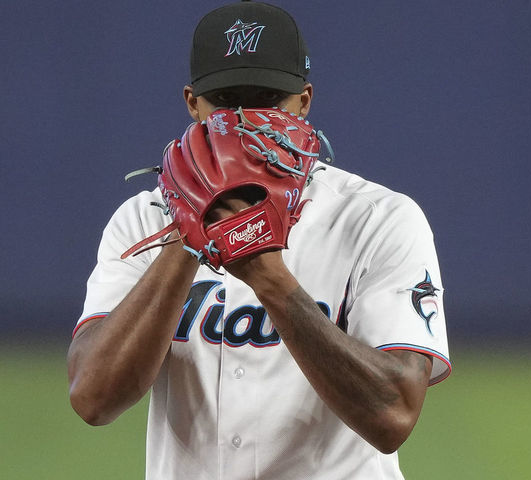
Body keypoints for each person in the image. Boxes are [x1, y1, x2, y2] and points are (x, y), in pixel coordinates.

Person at [67, 1, 451, 479]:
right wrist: (186, 240)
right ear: (192, 103)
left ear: (304, 101)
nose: (248, 121)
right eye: (227, 102)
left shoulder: (378, 219)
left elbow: (393, 413)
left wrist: (265, 274)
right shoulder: (141, 222)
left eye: (268, 100)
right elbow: (93, 397)